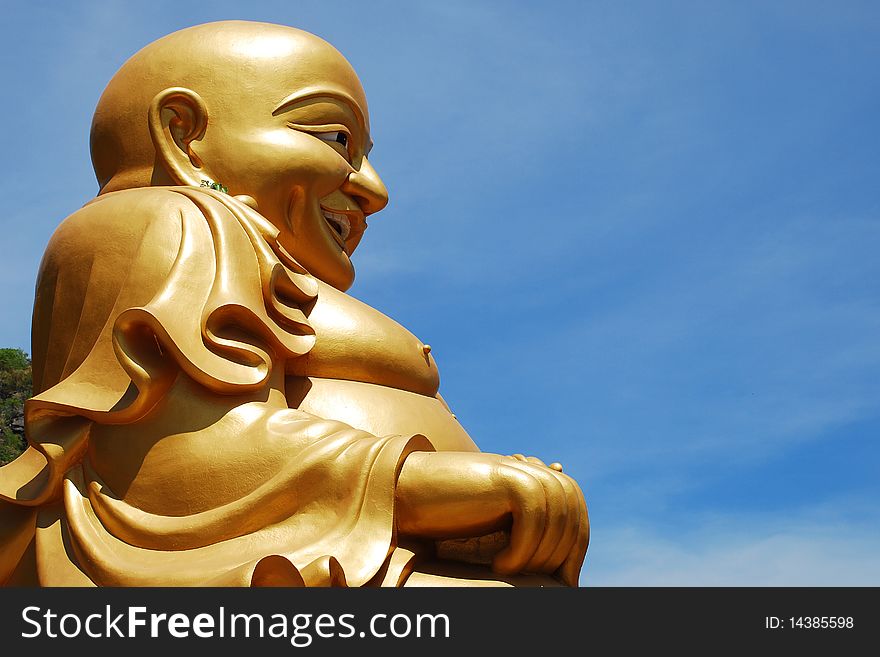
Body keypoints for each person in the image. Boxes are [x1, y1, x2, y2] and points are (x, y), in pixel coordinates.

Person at [0, 21, 587, 587]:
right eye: (336, 140)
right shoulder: (163, 220)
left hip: (370, 552)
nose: (374, 189)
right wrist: (412, 486)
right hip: (269, 568)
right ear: (183, 136)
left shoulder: (256, 256)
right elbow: (158, 459)